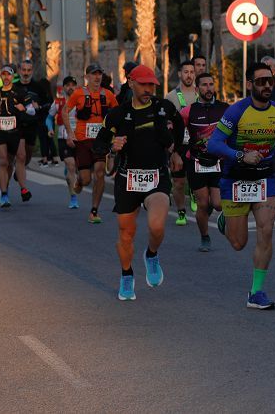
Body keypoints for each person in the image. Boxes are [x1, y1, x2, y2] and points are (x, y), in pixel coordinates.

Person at [208, 62, 275, 309]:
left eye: (270, 81)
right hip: (235, 178)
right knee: (238, 243)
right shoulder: (236, 111)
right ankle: (226, 221)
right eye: (261, 81)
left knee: (266, 230)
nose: (267, 85)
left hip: (264, 179)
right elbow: (214, 144)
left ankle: (256, 292)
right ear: (250, 85)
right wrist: (241, 155)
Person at [92, 64, 182, 301]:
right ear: (130, 83)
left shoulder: (165, 108)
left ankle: (151, 255)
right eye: (143, 84)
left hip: (157, 176)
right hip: (127, 178)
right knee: (126, 234)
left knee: (157, 226)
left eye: (152, 84)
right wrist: (112, 147)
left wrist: (177, 152)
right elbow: (98, 145)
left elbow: (181, 126)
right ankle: (127, 275)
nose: (148, 89)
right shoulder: (117, 115)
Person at [181, 71, 229, 252]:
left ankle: (215, 214)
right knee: (202, 203)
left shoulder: (225, 109)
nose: (208, 89)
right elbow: (177, 133)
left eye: (211, 85)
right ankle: (205, 236)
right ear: (197, 88)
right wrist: (178, 153)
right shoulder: (188, 111)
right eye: (204, 85)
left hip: (219, 162)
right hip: (196, 162)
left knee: (217, 203)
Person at [65, 64, 118, 223]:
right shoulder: (78, 93)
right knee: (86, 179)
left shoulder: (108, 95)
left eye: (99, 74)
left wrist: (114, 134)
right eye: (94, 74)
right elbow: (64, 111)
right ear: (86, 76)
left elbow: (117, 114)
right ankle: (80, 181)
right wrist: (70, 133)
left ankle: (94, 211)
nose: (97, 77)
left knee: (100, 171)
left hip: (100, 140)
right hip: (82, 140)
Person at [0, 65, 34, 208]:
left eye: (8, 75)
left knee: (20, 157)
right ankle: (3, 194)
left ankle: (23, 188)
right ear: (1, 76)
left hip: (17, 130)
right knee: (4, 162)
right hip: (0, 131)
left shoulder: (20, 92)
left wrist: (25, 108)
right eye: (3, 75)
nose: (6, 77)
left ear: (12, 76)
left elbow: (32, 111)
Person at [165, 60, 199, 227]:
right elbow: (165, 124)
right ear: (179, 74)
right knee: (178, 182)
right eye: (186, 72)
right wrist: (171, 148)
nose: (189, 75)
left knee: (194, 178)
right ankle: (181, 212)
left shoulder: (201, 94)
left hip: (198, 146)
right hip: (178, 146)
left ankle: (193, 192)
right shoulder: (171, 97)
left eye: (192, 72)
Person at [18, 60, 54, 168]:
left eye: (28, 70)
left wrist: (40, 107)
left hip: (32, 125)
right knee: (20, 154)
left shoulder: (38, 87)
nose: (26, 73)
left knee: (28, 153)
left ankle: (22, 167)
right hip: (17, 125)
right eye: (24, 70)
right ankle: (19, 169)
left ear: (32, 71)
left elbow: (49, 103)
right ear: (20, 70)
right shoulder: (14, 86)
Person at [53, 76, 81, 208]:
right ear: (63, 87)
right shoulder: (58, 102)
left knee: (79, 170)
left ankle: (72, 177)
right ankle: (73, 197)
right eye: (68, 85)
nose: (70, 87)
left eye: (73, 85)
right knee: (71, 166)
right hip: (63, 138)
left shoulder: (82, 102)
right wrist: (49, 129)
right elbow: (48, 118)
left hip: (80, 139)